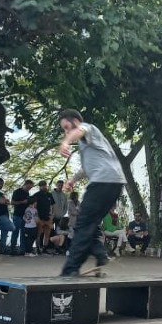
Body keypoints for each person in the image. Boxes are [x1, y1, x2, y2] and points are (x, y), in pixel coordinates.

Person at [57, 109, 126, 276]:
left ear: (75, 121)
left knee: (81, 226)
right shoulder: (88, 145)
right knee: (89, 222)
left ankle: (70, 269)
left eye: (67, 127)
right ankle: (100, 254)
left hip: (102, 183)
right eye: (64, 130)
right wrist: (72, 180)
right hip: (114, 184)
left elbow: (80, 130)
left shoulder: (88, 128)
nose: (67, 132)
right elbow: (86, 168)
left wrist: (65, 143)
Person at [10, 179, 34, 256]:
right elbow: (12, 202)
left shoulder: (27, 193)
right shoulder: (17, 192)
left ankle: (22, 249)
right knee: (15, 231)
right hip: (17, 215)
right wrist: (22, 202)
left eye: (30, 188)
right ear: (25, 185)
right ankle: (12, 249)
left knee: (23, 233)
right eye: (28, 187)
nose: (29, 189)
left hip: (25, 216)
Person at [0, 178, 14, 251]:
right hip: (0, 214)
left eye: (2, 184)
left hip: (5, 213)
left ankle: (3, 249)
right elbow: (1, 201)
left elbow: (8, 202)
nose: (1, 185)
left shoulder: (0, 193)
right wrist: (5, 201)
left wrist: (5, 201)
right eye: (0, 184)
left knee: (4, 232)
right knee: (12, 227)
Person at [33, 180, 55, 253]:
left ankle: (45, 248)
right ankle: (38, 248)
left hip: (48, 218)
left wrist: (52, 215)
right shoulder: (36, 195)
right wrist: (37, 217)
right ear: (40, 186)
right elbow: (34, 207)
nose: (44, 187)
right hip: (40, 218)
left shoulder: (49, 195)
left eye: (45, 185)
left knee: (47, 234)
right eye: (42, 186)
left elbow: (53, 205)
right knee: (39, 234)